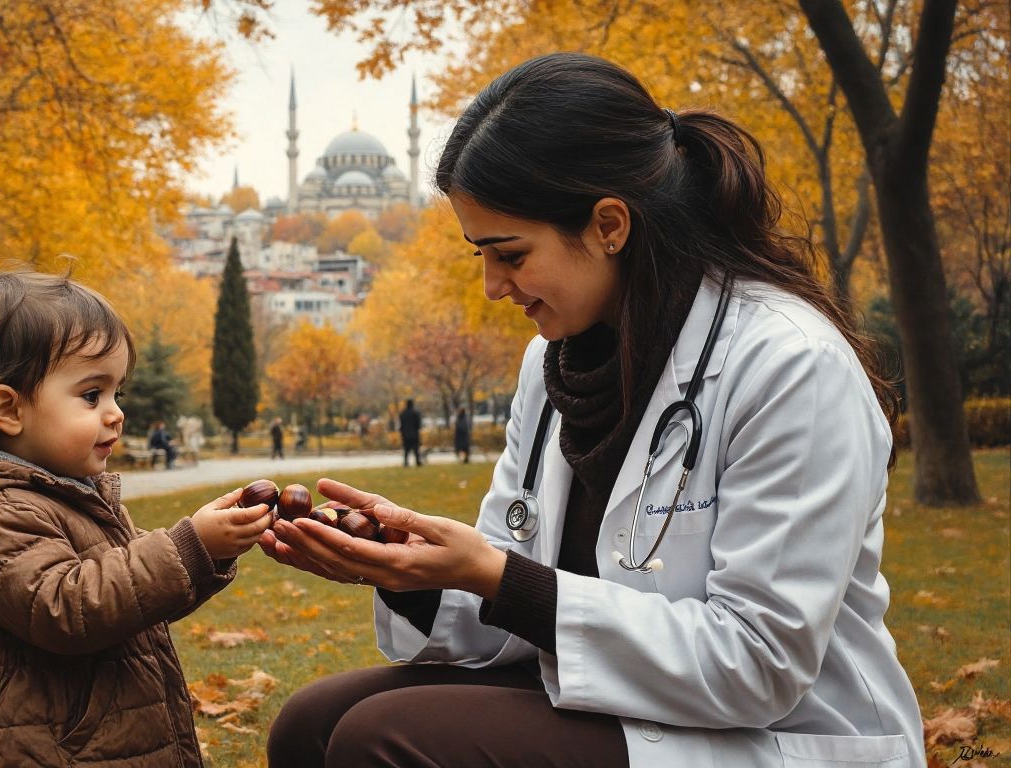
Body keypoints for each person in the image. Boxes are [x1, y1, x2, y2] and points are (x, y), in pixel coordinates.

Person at [259, 53, 921, 768]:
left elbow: (757, 664)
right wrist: (410, 576)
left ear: (609, 224)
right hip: (622, 703)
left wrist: (494, 575)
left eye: (509, 254)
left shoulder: (792, 366)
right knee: (310, 724)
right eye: (479, 254)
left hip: (772, 734)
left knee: (377, 741)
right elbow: (505, 622)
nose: (491, 286)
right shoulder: (556, 365)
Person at [0, 269, 272, 768]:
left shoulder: (75, 495)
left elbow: (132, 599)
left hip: (80, 737)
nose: (115, 413)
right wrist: (186, 545)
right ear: (9, 409)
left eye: (118, 393)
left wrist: (205, 553)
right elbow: (67, 609)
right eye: (92, 395)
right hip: (28, 744)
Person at [398, 399, 423, 467]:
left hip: (405, 434)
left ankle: (406, 462)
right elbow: (418, 424)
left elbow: (401, 424)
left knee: (406, 450)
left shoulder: (403, 413)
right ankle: (417, 461)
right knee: (416, 449)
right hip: (414, 433)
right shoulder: (415, 413)